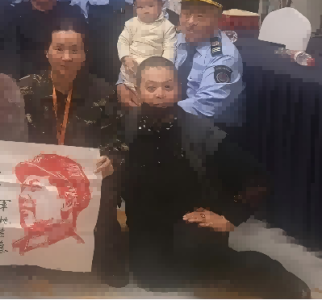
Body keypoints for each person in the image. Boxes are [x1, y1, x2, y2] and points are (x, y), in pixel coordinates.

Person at [123, 57, 310, 299]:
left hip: (191, 215)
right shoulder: (127, 125)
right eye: (151, 87)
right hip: (147, 219)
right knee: (152, 280)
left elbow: (258, 179)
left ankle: (270, 273)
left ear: (179, 89)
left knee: (203, 266)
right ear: (137, 91)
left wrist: (230, 217)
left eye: (167, 86)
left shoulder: (201, 133)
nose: (159, 94)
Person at [17, 16, 127, 286]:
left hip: (82, 175)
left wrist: (112, 158)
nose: (66, 57)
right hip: (37, 173)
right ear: (47, 52)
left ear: (84, 55)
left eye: (74, 50)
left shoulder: (102, 92)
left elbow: (118, 139)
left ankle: (106, 252)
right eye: (59, 49)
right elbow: (9, 134)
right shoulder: (26, 88)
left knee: (109, 182)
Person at [119, 0, 244, 126]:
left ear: (217, 20)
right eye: (186, 14)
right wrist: (122, 84)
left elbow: (205, 106)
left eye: (200, 16)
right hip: (163, 118)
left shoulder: (223, 57)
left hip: (205, 128)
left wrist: (151, 109)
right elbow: (143, 57)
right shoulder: (176, 38)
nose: (190, 22)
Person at [9, 0, 87, 78]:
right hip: (26, 82)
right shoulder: (13, 16)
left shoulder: (73, 14)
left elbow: (84, 55)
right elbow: (10, 60)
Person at [118, 0, 177, 89]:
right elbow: (123, 41)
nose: (145, 10)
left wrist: (163, 67)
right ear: (135, 7)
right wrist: (125, 57)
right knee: (129, 88)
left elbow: (170, 48)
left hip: (154, 70)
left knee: (151, 90)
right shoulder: (131, 23)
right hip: (131, 67)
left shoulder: (167, 26)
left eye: (150, 6)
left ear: (161, 5)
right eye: (140, 7)